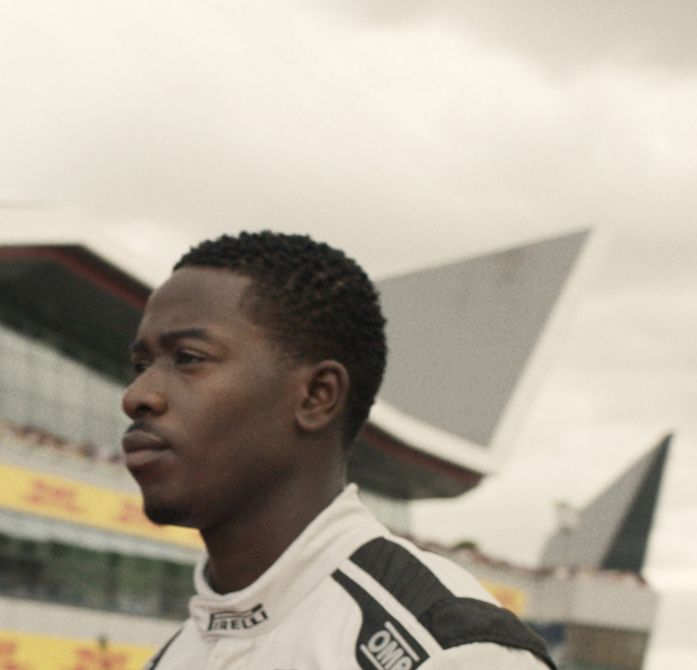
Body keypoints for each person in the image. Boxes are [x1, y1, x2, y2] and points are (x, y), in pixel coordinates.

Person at [122, 231, 554, 669]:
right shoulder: (173, 657)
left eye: (188, 358)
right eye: (140, 365)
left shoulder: (451, 654)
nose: (136, 396)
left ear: (317, 396)